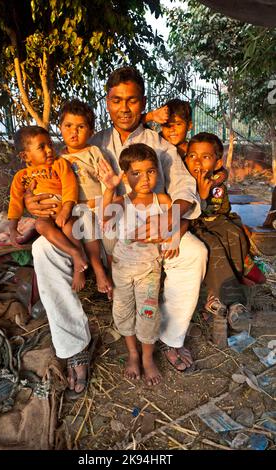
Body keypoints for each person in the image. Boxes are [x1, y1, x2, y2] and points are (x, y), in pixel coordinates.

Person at [25, 66, 207, 394]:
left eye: (132, 100)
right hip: (98, 231)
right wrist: (32, 201)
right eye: (116, 100)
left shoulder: (160, 145)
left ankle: (170, 338)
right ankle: (74, 345)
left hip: (149, 234)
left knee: (195, 252)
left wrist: (172, 218)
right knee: (42, 249)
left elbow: (184, 188)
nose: (124, 108)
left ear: (143, 103)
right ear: (107, 104)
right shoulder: (87, 143)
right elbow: (49, 180)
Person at [99, 143, 176, 385]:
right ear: (126, 176)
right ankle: (133, 353)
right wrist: (109, 190)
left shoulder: (160, 198)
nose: (145, 178)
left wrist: (172, 237)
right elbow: (104, 219)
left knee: (148, 313)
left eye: (151, 171)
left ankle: (147, 358)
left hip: (149, 269)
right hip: (122, 267)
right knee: (123, 311)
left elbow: (172, 221)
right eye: (136, 173)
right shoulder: (122, 201)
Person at [185, 132, 259, 330]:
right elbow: (191, 213)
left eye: (205, 157)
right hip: (192, 223)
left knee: (235, 235)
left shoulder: (217, 180)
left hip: (215, 220)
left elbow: (222, 208)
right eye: (192, 156)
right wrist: (201, 195)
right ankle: (231, 301)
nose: (197, 162)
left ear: (217, 163)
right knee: (214, 245)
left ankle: (221, 297)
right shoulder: (183, 179)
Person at [8, 126, 88, 292]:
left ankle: (79, 270)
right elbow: (15, 202)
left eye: (50, 144)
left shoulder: (60, 164)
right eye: (41, 147)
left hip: (63, 209)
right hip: (45, 216)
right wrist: (12, 228)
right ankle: (74, 253)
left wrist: (66, 210)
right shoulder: (22, 177)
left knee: (69, 227)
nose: (49, 150)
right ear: (25, 155)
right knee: (40, 226)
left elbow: (69, 186)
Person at [58, 99, 112, 297]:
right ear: (60, 128)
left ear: (90, 131)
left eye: (81, 127)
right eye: (68, 126)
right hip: (70, 208)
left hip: (94, 206)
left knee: (86, 220)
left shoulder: (93, 152)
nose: (74, 132)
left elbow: (106, 181)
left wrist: (102, 205)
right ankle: (79, 265)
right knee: (68, 226)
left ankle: (97, 267)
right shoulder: (58, 159)